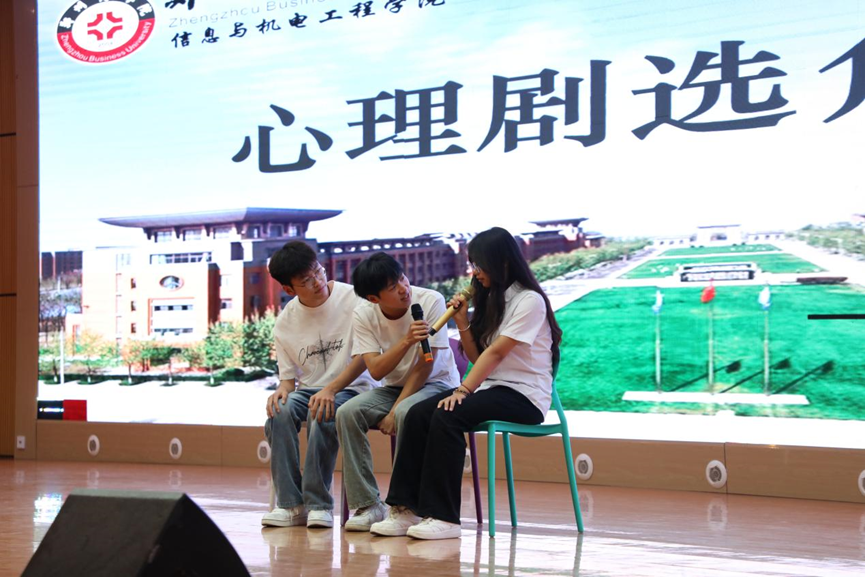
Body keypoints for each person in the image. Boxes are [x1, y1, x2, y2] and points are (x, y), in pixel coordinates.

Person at [370, 227, 562, 540]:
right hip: (493, 388)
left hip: (524, 396)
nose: (474, 272)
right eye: (473, 265)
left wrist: (462, 390)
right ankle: (405, 509)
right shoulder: (493, 298)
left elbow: (497, 353)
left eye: (479, 265)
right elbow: (478, 357)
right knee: (417, 413)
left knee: (448, 414)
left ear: (502, 263)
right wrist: (462, 322)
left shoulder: (530, 301)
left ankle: (444, 517)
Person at [336, 252, 461, 532]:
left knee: (406, 412)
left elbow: (426, 365)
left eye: (402, 279)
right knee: (346, 413)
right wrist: (406, 341)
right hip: (393, 387)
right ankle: (369, 504)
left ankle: (407, 508)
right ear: (374, 298)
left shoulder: (430, 300)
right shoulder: (364, 314)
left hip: (438, 384)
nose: (404, 288)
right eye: (393, 287)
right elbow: (376, 370)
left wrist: (394, 410)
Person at [262, 241, 377, 529]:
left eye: (318, 272)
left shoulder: (353, 299)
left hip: (355, 386)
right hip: (311, 390)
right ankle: (291, 505)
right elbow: (288, 381)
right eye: (306, 280)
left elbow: (366, 357)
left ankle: (318, 504)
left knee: (322, 410)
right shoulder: (285, 322)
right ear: (289, 289)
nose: (317, 282)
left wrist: (331, 389)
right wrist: (281, 391)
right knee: (280, 411)